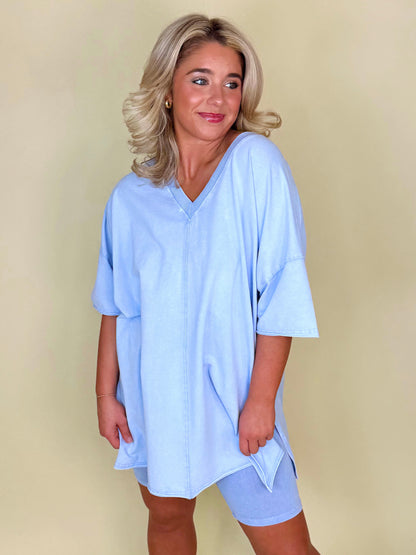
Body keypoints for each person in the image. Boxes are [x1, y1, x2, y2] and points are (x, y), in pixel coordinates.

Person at [92, 13, 320, 555]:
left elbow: (281, 292)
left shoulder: (255, 165)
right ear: (167, 90)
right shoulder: (131, 198)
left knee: (287, 547)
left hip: (238, 402)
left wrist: (261, 401)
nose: (218, 98)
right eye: (200, 79)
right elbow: (116, 305)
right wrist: (105, 394)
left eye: (231, 83)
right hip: (154, 398)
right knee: (168, 520)